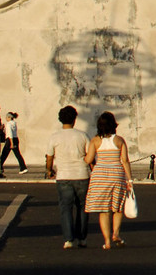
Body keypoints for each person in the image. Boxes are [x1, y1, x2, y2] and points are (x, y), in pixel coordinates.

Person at [83, 111, 133, 249]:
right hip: (117, 174)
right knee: (117, 207)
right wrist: (129, 180)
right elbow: (125, 161)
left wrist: (83, 157)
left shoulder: (95, 141)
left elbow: (88, 159)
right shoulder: (119, 140)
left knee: (104, 210)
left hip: (99, 176)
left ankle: (107, 241)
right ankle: (116, 233)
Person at [45, 105, 91, 249]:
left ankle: (68, 239)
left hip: (64, 175)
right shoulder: (82, 135)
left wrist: (49, 170)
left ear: (60, 119)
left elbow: (49, 157)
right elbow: (90, 156)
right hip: (82, 174)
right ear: (74, 120)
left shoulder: (54, 136)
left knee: (66, 207)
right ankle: (82, 238)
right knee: (83, 207)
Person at [0, 110, 26, 174]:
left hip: (10, 140)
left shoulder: (9, 124)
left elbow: (10, 134)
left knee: (4, 154)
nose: (6, 118)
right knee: (18, 154)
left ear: (9, 117)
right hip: (15, 139)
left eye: (7, 117)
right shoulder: (14, 124)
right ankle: (23, 167)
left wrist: (11, 143)